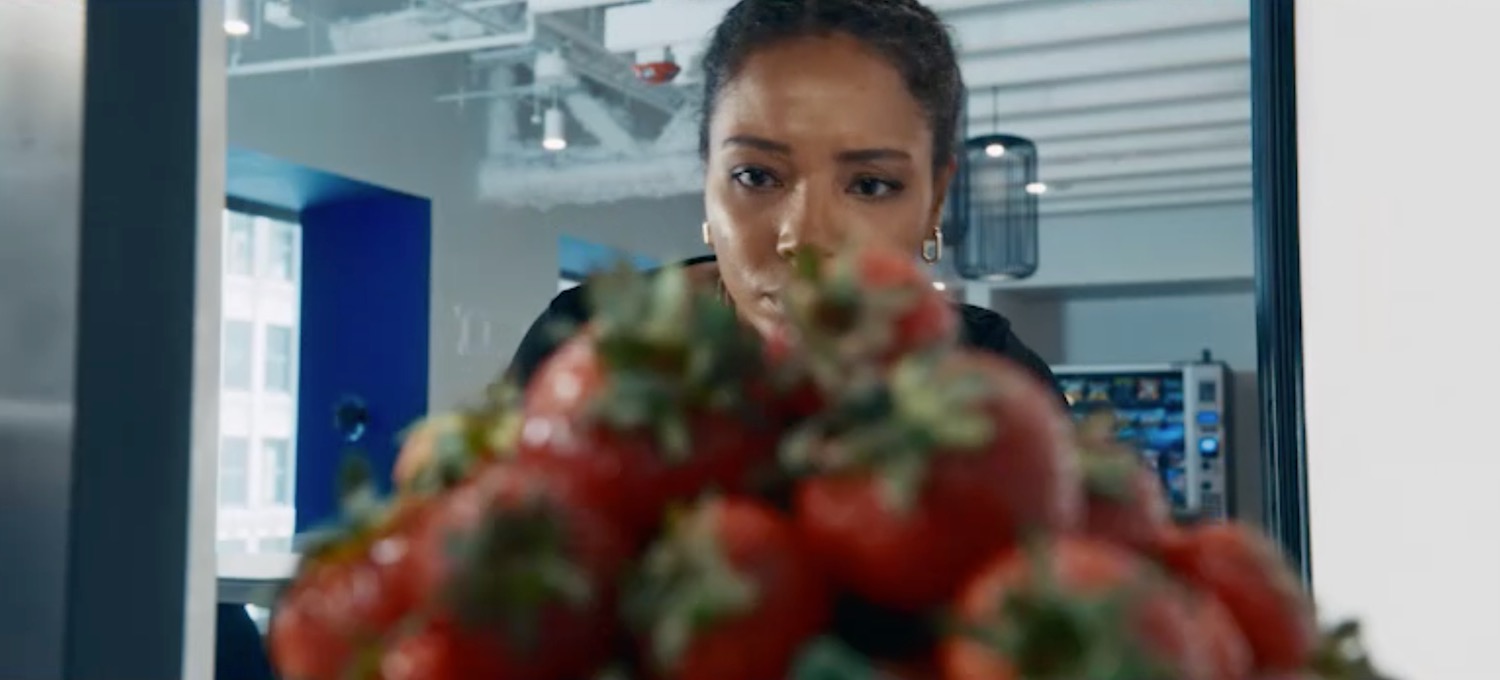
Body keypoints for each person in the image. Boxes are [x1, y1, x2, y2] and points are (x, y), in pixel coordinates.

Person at [507, 0, 1058, 394]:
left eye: (870, 185)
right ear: (708, 177)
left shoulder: (996, 387)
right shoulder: (584, 343)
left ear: (936, 199)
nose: (804, 239)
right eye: (756, 176)